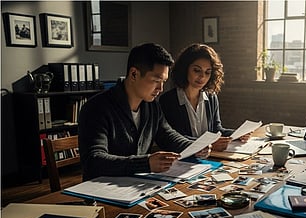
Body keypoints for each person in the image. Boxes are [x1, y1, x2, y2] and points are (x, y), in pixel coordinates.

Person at [78, 43, 210, 181]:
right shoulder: (96, 108)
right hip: (100, 190)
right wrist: (145, 163)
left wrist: (195, 147)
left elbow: (168, 135)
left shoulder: (151, 106)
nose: (161, 88)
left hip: (137, 185)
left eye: (163, 81)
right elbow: (94, 160)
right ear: (134, 74)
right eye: (156, 80)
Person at [159, 43, 250, 151]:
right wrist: (209, 144)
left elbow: (216, 129)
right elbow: (175, 138)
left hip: (209, 157)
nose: (202, 77)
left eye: (207, 72)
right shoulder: (168, 100)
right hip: (183, 160)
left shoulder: (211, 98)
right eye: (197, 70)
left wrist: (236, 134)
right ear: (185, 69)